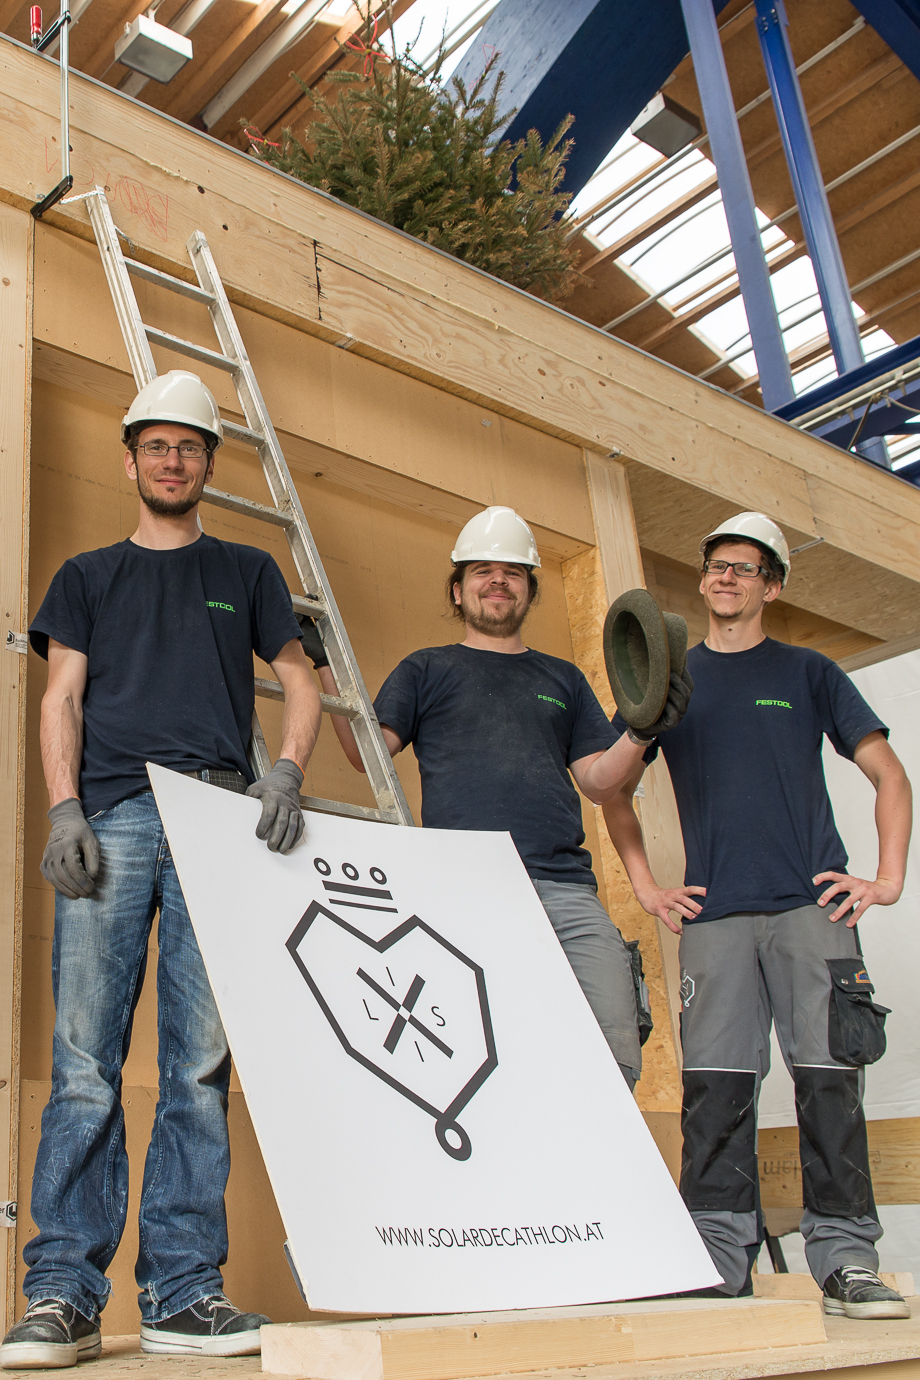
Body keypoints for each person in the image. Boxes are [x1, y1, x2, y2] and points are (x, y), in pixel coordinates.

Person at [0, 371, 322, 1370]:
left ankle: (184, 1294)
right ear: (132, 457)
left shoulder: (248, 566)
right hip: (116, 819)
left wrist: (286, 771)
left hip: (222, 820)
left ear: (208, 466)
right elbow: (61, 697)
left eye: (189, 447)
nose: (172, 460)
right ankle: (62, 1295)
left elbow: (300, 679)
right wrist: (62, 808)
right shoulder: (89, 575)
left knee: (196, 1066)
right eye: (157, 445)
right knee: (87, 1067)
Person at [602, 511, 912, 1320]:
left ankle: (846, 1262)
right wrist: (646, 885)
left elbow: (889, 776)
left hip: (812, 910)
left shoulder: (810, 672)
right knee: (715, 1094)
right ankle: (716, 1260)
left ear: (771, 585)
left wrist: (884, 879)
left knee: (830, 1086)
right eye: (715, 566)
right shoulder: (671, 680)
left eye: (744, 568)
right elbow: (609, 788)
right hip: (713, 923)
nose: (726, 578)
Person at [305, 505, 689, 1092]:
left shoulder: (562, 679)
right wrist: (325, 666)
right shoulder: (427, 669)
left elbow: (597, 780)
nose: (497, 580)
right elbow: (369, 754)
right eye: (482, 570)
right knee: (482, 1066)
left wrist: (641, 728)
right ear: (458, 591)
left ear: (529, 590)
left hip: (565, 893)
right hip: (463, 890)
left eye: (512, 571)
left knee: (612, 1060)